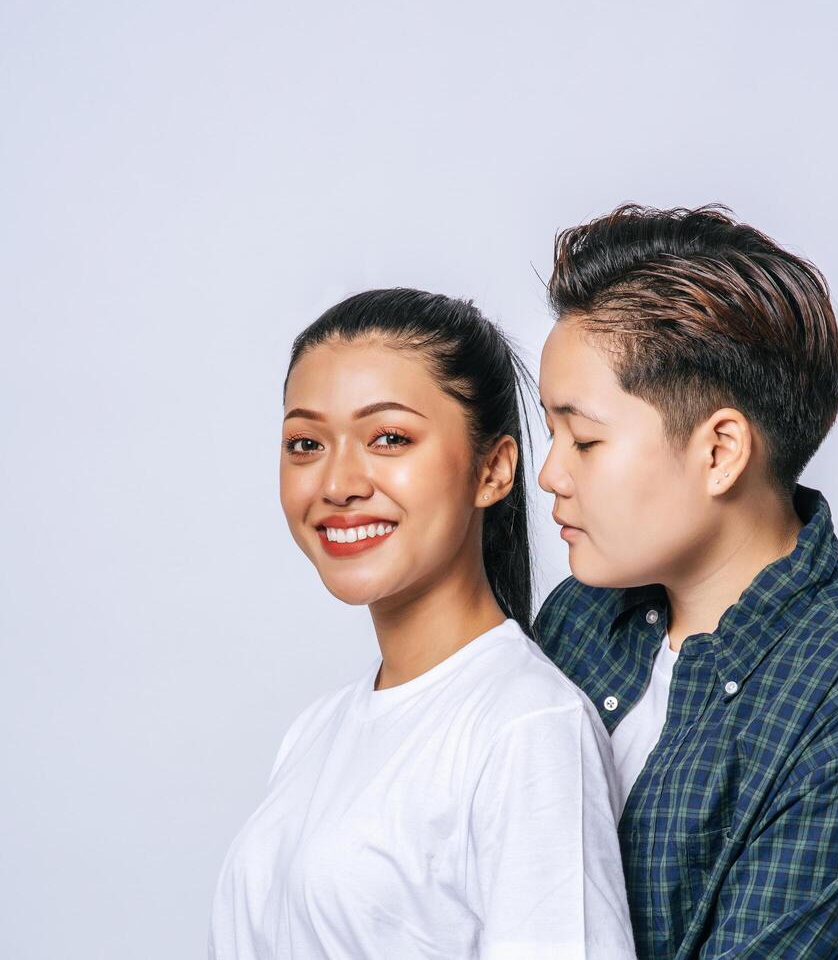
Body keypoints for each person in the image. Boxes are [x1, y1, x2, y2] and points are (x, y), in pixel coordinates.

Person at [534, 204, 838, 959]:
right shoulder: (577, 618)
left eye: (585, 439)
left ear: (720, 451)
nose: (549, 474)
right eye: (550, 434)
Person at [208, 289, 636, 960]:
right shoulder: (316, 733)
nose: (338, 482)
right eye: (305, 443)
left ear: (492, 470)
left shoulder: (526, 728)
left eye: (388, 438)